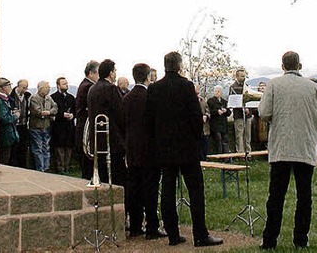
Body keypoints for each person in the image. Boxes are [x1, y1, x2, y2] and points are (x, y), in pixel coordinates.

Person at [144, 50, 223, 247]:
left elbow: (148, 120)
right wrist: (197, 139)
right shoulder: (187, 86)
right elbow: (196, 118)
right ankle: (200, 235)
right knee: (196, 191)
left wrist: (157, 142)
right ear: (180, 66)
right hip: (187, 148)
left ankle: (172, 235)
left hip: (164, 148)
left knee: (167, 190)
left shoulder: (154, 88)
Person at [258, 51, 317, 251]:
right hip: (305, 147)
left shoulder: (273, 85)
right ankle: (301, 239)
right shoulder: (313, 87)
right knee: (304, 196)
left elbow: (264, 113)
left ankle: (270, 240)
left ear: (282, 66)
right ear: (300, 66)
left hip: (281, 147)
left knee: (276, 196)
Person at [123, 62, 165, 240]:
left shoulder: (126, 97)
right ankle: (152, 227)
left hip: (132, 149)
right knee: (151, 189)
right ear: (148, 77)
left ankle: (134, 226)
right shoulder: (150, 97)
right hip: (150, 150)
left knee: (134, 188)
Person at [87, 58, 126, 188]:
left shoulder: (92, 89)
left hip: (97, 141)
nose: (115, 73)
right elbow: (121, 114)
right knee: (117, 178)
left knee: (103, 175)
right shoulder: (111, 89)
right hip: (113, 141)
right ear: (110, 73)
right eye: (115, 71)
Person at [29, 81, 58, 172]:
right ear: (41, 88)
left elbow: (55, 108)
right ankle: (40, 168)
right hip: (36, 127)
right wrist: (46, 113)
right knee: (38, 148)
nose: (49, 89)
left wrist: (49, 112)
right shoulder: (34, 98)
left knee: (46, 147)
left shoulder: (49, 98)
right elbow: (37, 111)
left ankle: (46, 167)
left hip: (46, 126)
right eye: (47, 87)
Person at [51, 76, 76, 173]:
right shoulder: (53, 97)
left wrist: (72, 115)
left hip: (69, 126)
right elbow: (52, 112)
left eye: (66, 83)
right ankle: (60, 168)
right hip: (58, 126)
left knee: (69, 147)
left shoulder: (71, 97)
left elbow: (75, 109)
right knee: (59, 148)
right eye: (64, 84)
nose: (66, 85)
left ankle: (67, 166)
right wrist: (62, 115)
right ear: (58, 85)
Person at [229, 67, 252, 153]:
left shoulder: (246, 86)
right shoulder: (232, 87)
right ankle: (241, 153)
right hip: (238, 114)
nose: (243, 78)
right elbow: (232, 101)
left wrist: (248, 108)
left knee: (248, 135)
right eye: (242, 76)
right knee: (239, 135)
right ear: (237, 76)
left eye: (244, 76)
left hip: (247, 114)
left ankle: (248, 153)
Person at [9, 78, 31, 168]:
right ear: (18, 86)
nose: (24, 90)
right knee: (14, 147)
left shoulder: (27, 95)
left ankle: (23, 166)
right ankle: (13, 165)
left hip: (23, 124)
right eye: (23, 87)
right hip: (14, 125)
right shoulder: (11, 96)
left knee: (23, 146)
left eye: (26, 87)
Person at [0, 77, 19, 165]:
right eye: (8, 85)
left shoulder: (6, 99)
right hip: (5, 135)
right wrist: (15, 116)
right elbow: (4, 118)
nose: (10, 88)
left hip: (9, 135)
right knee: (4, 160)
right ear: (3, 88)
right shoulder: (0, 100)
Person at [207, 85, 230, 154]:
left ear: (221, 92)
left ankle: (226, 156)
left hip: (223, 124)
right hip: (215, 124)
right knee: (218, 140)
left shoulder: (224, 101)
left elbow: (229, 112)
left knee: (225, 140)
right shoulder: (210, 101)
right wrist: (217, 111)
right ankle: (219, 155)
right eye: (216, 91)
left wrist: (225, 111)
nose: (217, 93)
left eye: (219, 91)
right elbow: (210, 111)